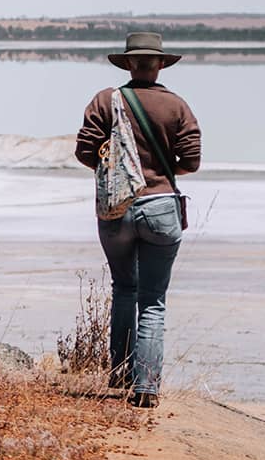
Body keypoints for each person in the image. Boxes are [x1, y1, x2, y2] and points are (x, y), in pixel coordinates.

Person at [74, 32, 202, 409]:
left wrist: (118, 175)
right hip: (161, 206)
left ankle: (120, 373)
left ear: (128, 64)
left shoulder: (105, 100)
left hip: (115, 210)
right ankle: (146, 388)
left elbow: (85, 151)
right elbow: (192, 161)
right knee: (153, 301)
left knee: (124, 289)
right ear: (160, 64)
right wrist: (158, 175)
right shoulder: (176, 106)